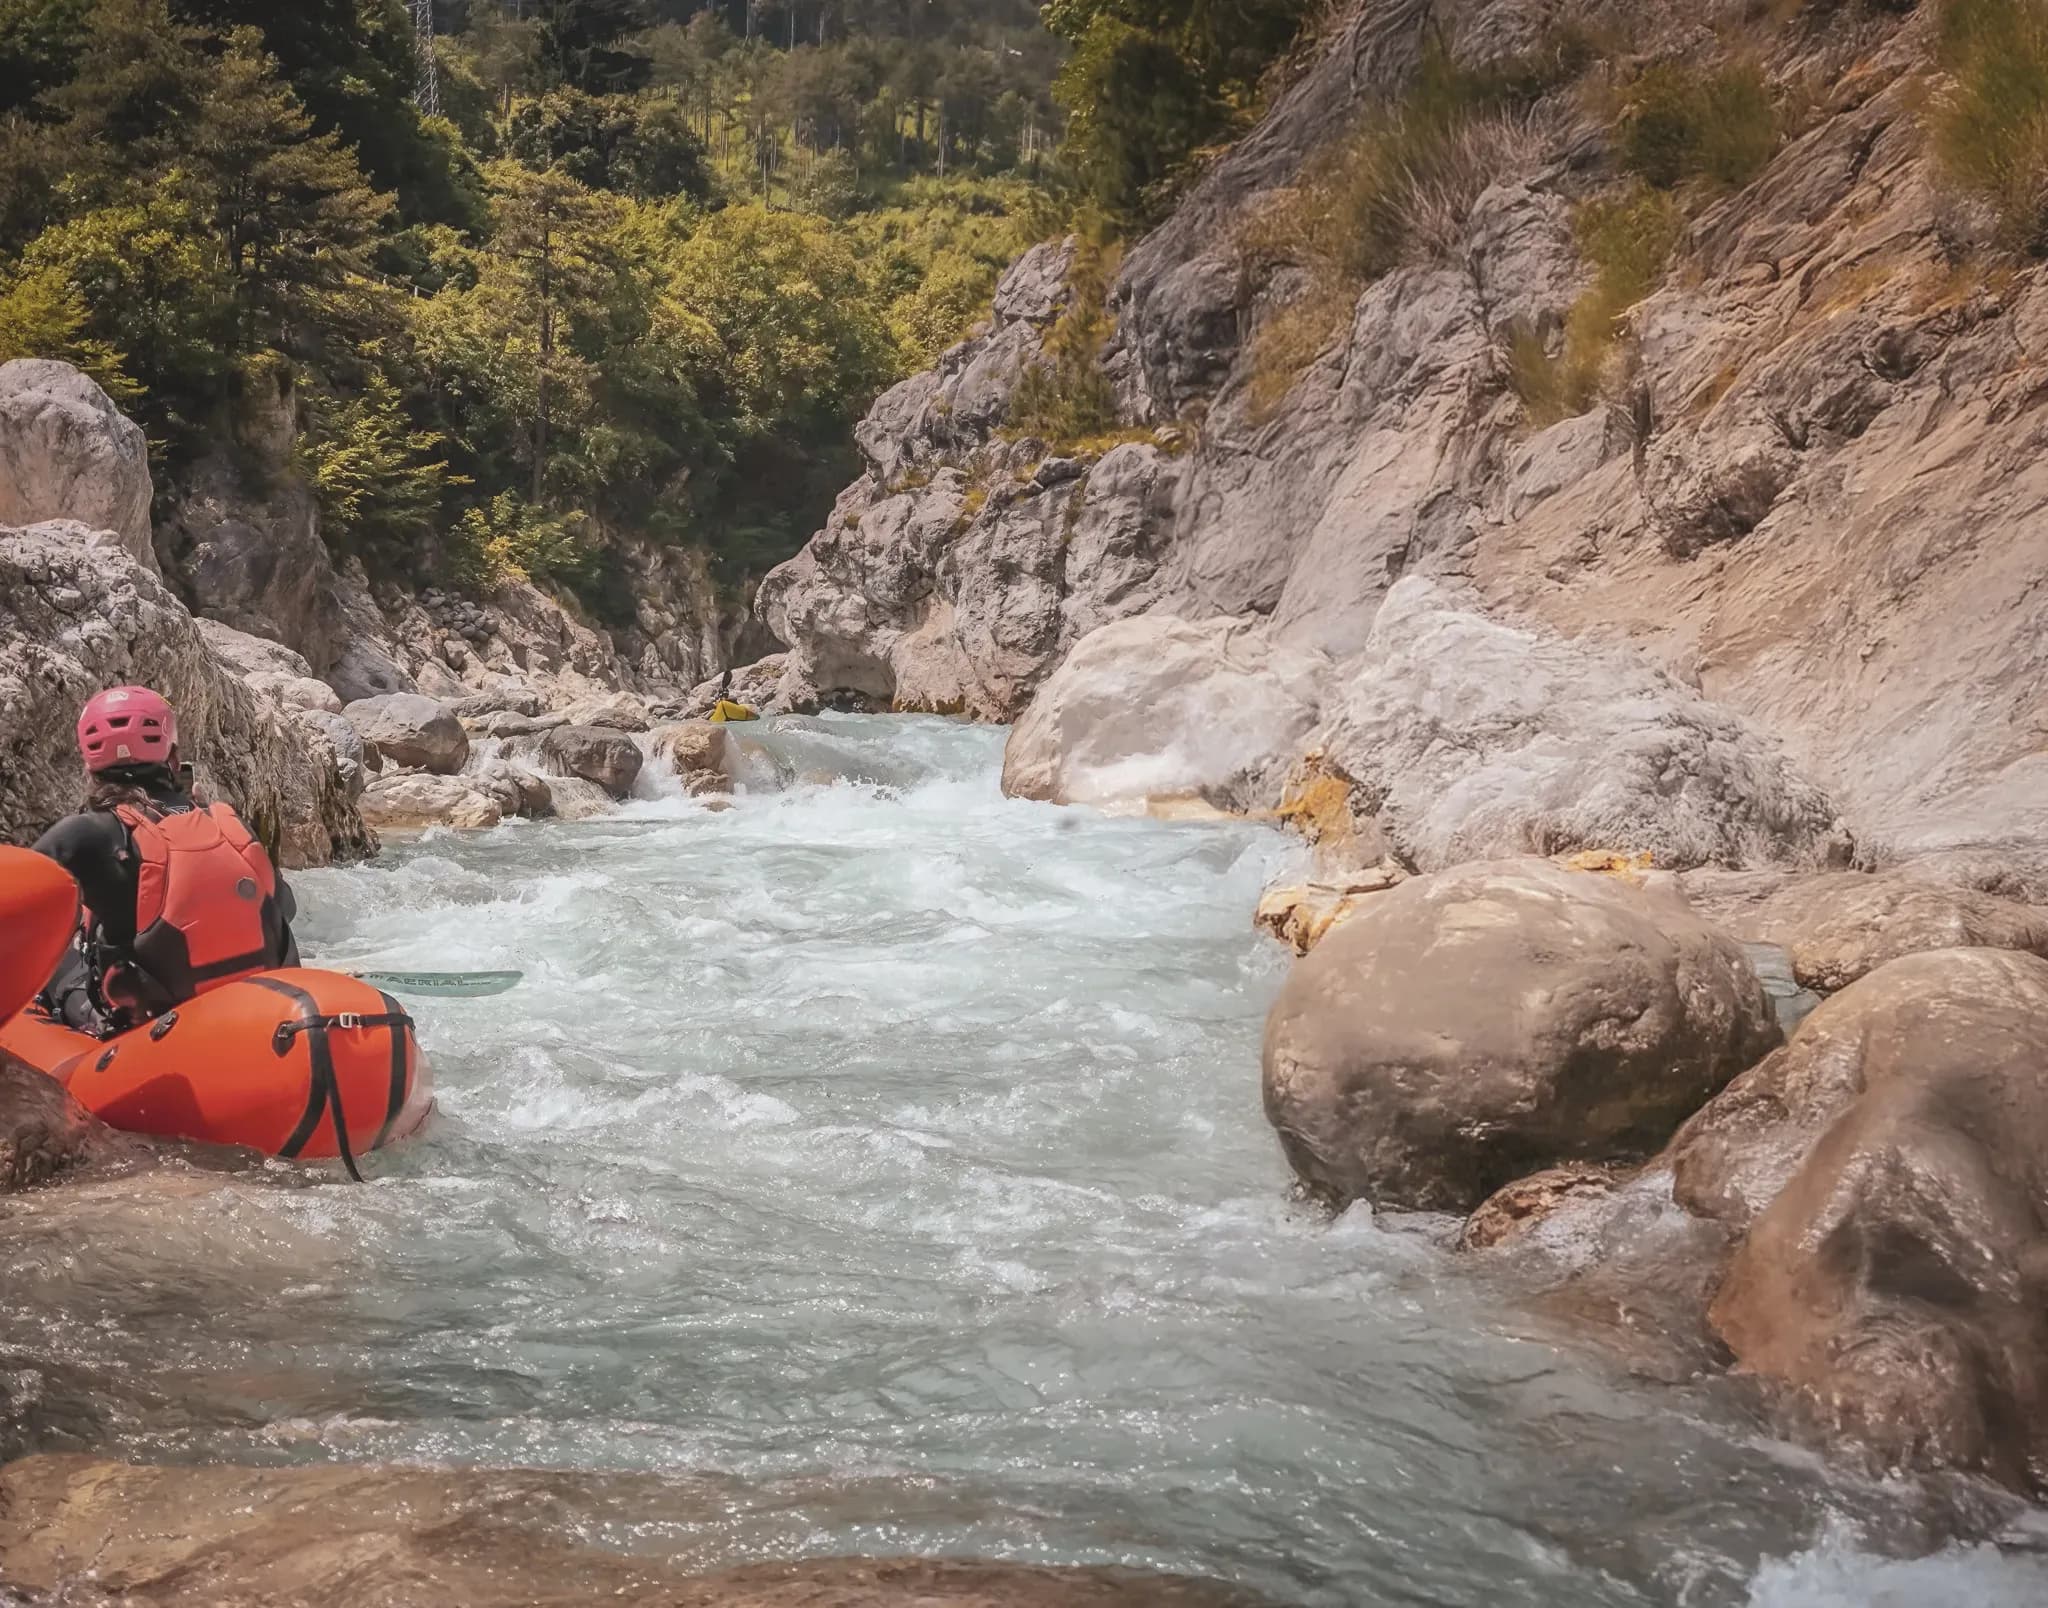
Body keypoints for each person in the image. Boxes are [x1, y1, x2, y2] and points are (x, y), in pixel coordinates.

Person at [34, 686, 299, 1035]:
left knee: (58, 960)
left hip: (155, 1030)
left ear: (88, 766)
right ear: (173, 758)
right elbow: (286, 907)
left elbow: (14, 899)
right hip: (262, 1017)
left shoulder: (84, 834)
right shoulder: (227, 824)